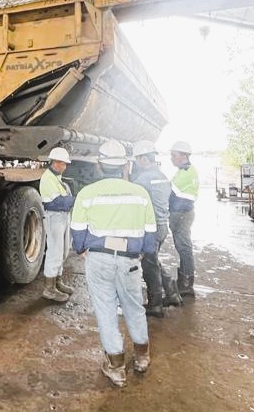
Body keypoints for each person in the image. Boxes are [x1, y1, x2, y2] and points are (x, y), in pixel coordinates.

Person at [71, 139, 157, 387]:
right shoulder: (140, 194)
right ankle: (142, 357)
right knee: (135, 307)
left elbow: (77, 230)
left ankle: (116, 367)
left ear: (99, 165)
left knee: (106, 310)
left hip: (99, 259)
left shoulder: (87, 193)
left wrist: (82, 250)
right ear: (124, 166)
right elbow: (150, 233)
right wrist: (141, 253)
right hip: (130, 261)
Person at [130, 140, 182, 317]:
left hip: (151, 229)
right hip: (162, 226)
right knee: (153, 260)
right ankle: (172, 293)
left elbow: (133, 202)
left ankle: (155, 304)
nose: (136, 162)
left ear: (144, 159)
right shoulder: (162, 176)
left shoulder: (143, 179)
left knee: (149, 266)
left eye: (137, 159)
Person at [39, 146, 75, 302]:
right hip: (54, 217)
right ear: (55, 162)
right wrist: (74, 200)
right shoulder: (47, 178)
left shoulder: (57, 178)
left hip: (62, 217)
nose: (65, 167)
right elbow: (56, 202)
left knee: (63, 251)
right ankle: (49, 289)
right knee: (55, 252)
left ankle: (57, 282)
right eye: (63, 163)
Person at [169, 140, 199, 297]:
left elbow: (168, 192)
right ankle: (184, 281)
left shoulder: (186, 172)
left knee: (184, 247)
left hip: (181, 214)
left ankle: (186, 284)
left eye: (174, 155)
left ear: (183, 156)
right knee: (183, 247)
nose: (172, 158)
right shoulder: (186, 170)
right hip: (184, 212)